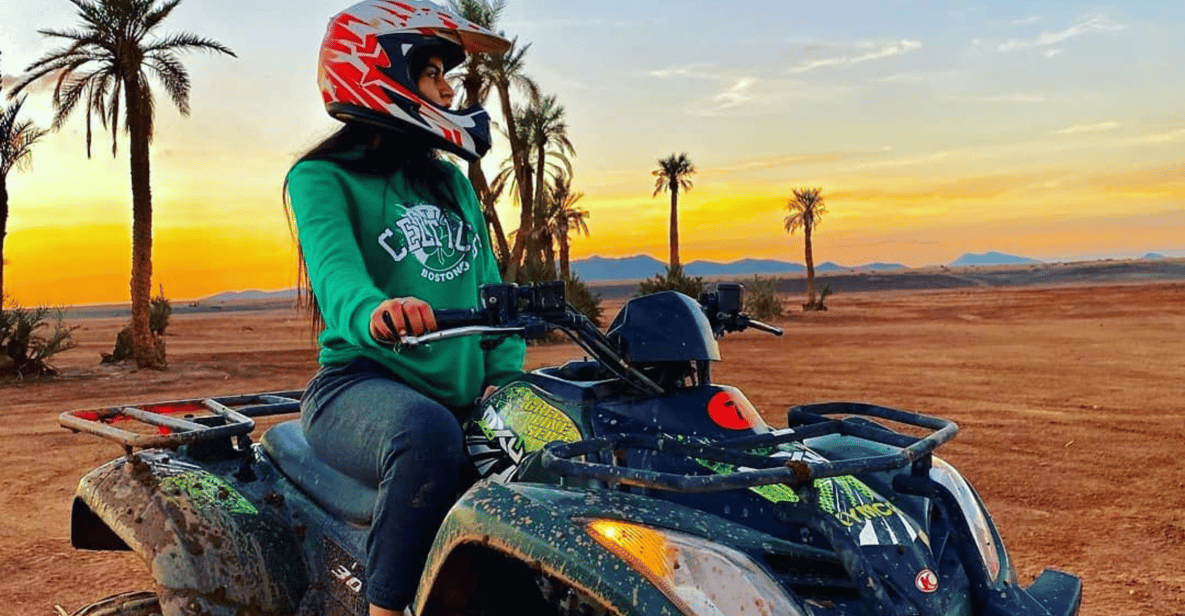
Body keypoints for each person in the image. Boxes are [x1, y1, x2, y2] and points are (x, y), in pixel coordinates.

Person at [283, 2, 523, 615]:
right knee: (427, 436)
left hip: (462, 393)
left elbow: (492, 299)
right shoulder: (321, 177)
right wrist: (378, 310)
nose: (448, 89)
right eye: (432, 72)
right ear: (379, 70)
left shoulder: (454, 184)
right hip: (359, 385)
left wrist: (508, 386)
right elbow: (337, 279)